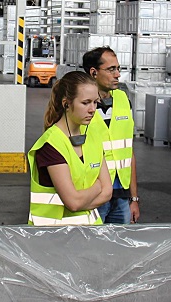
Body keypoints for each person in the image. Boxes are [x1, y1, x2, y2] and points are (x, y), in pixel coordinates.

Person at [27, 71, 112, 225]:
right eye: (86, 103)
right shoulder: (51, 144)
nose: (93, 109)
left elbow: (108, 192)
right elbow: (73, 202)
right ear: (66, 103)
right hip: (54, 238)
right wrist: (97, 186)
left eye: (95, 102)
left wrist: (83, 198)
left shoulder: (92, 136)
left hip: (89, 235)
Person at [82, 46, 140, 224]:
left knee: (118, 249)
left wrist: (134, 199)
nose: (117, 74)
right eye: (111, 69)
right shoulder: (80, 105)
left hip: (121, 195)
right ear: (93, 72)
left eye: (118, 69)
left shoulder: (123, 100)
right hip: (93, 194)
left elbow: (128, 152)